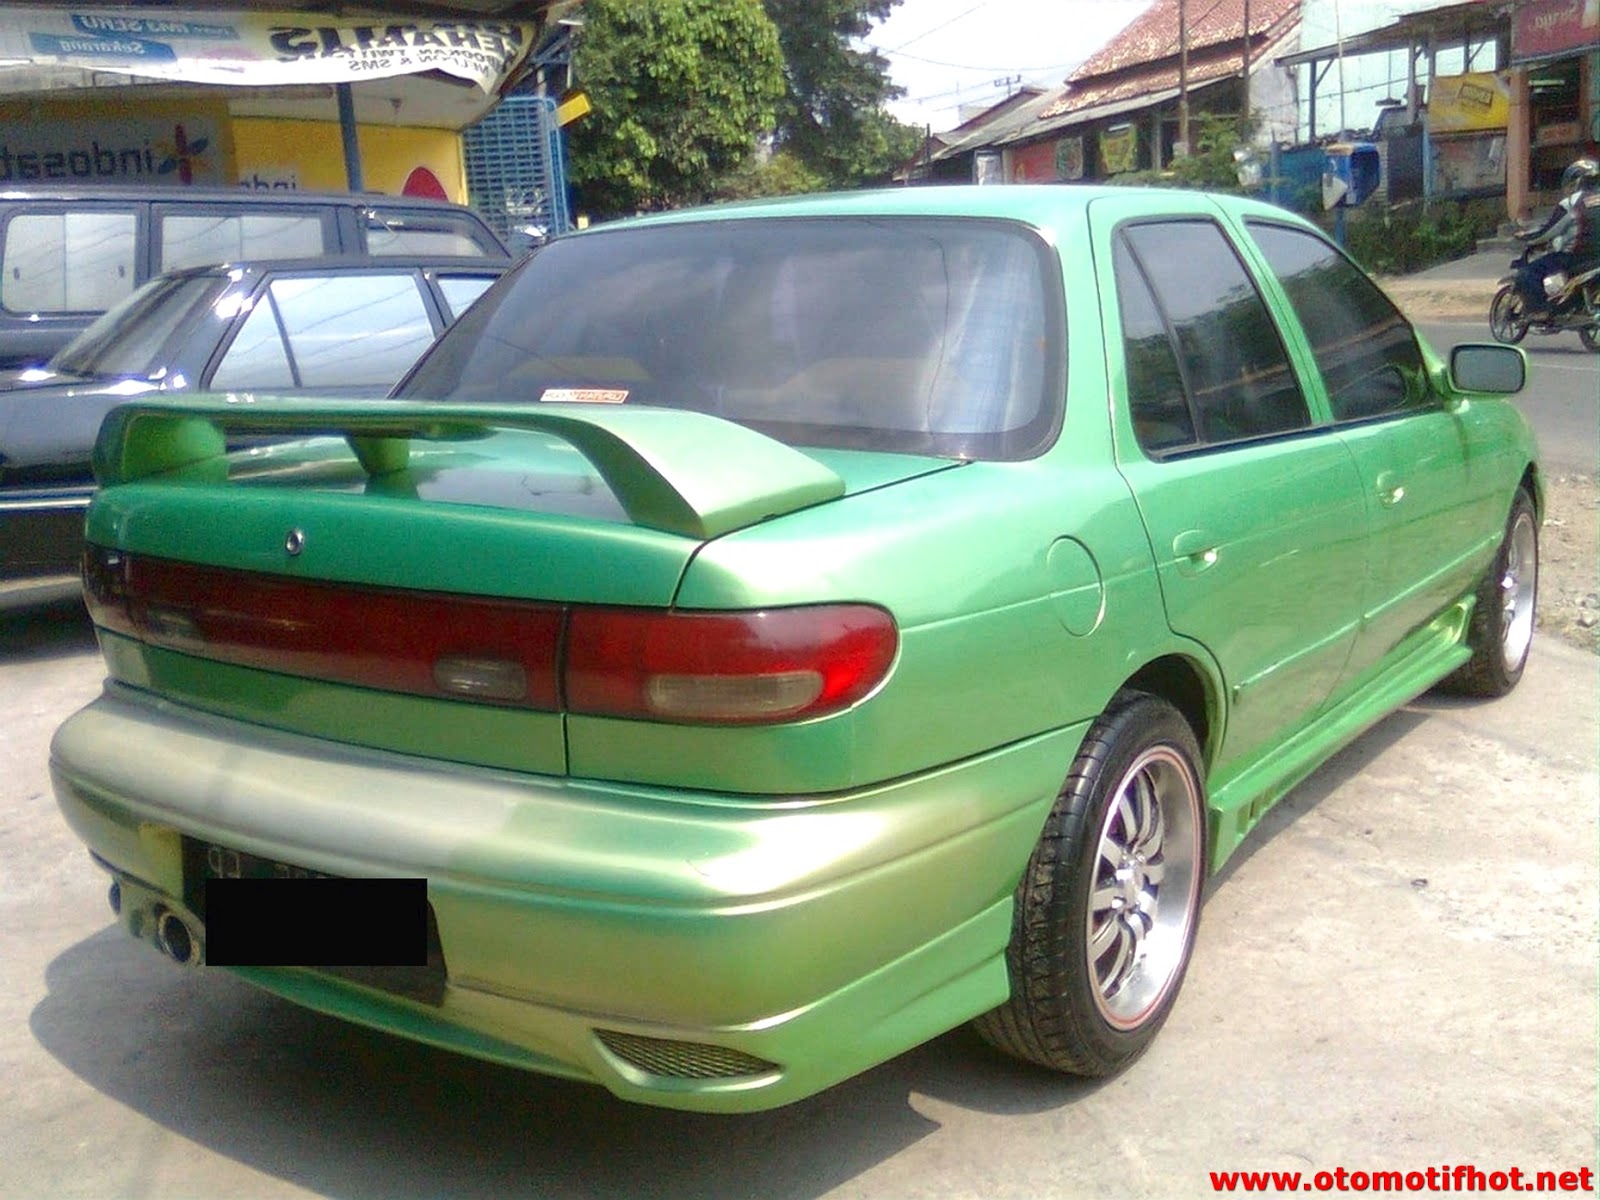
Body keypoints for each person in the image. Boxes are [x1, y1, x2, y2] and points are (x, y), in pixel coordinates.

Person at [1516, 157, 1599, 314]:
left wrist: (1527, 238)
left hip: (1576, 257)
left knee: (1528, 272)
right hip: (1596, 258)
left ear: (1575, 181)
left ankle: (1540, 310)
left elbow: (1549, 232)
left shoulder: (1571, 203)